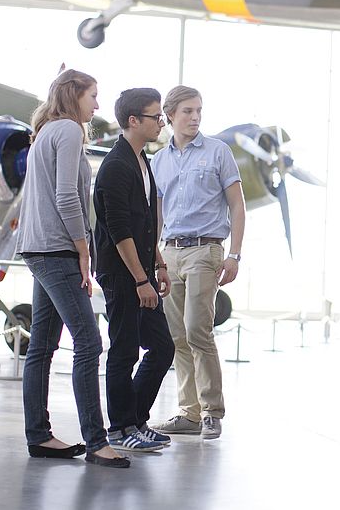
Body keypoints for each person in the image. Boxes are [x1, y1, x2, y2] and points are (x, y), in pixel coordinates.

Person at [16, 69, 129, 469]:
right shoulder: (65, 130)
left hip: (40, 248)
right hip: (57, 250)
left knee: (42, 348)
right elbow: (67, 197)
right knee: (89, 342)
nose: (97, 105)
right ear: (74, 95)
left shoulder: (46, 131)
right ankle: (97, 442)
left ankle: (39, 435)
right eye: (93, 96)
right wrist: (84, 251)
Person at [151, 85, 245, 440]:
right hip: (170, 253)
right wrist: (154, 255)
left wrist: (234, 254)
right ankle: (188, 413)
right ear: (170, 115)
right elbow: (157, 214)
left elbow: (237, 206)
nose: (195, 118)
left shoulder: (219, 152)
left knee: (196, 330)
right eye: (187, 111)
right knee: (177, 335)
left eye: (199, 111)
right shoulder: (159, 161)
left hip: (206, 252)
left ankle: (212, 411)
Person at [93, 88, 176, 452]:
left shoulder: (142, 160)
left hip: (142, 270)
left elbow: (144, 225)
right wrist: (140, 278)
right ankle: (120, 428)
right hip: (123, 273)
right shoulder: (116, 166)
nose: (162, 122)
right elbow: (118, 229)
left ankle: (135, 420)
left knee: (161, 347)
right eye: (156, 117)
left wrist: (157, 262)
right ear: (133, 121)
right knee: (124, 350)